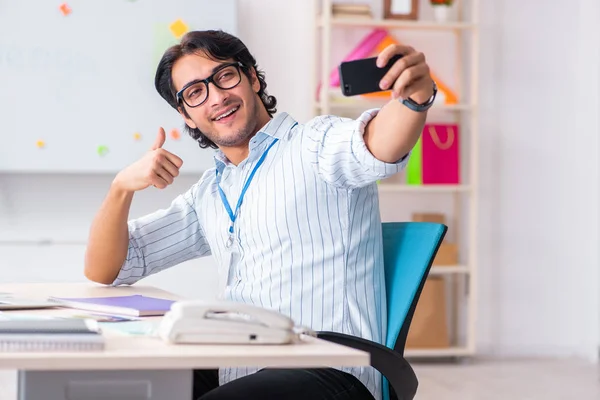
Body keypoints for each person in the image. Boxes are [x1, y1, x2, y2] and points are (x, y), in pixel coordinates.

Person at [83, 30, 436, 400]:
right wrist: (121, 188)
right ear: (186, 115)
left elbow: (379, 142)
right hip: (241, 364)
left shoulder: (314, 145)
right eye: (195, 93)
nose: (216, 97)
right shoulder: (210, 192)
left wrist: (415, 97)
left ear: (251, 77)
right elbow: (107, 268)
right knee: (122, 385)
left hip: (331, 371)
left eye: (224, 76)